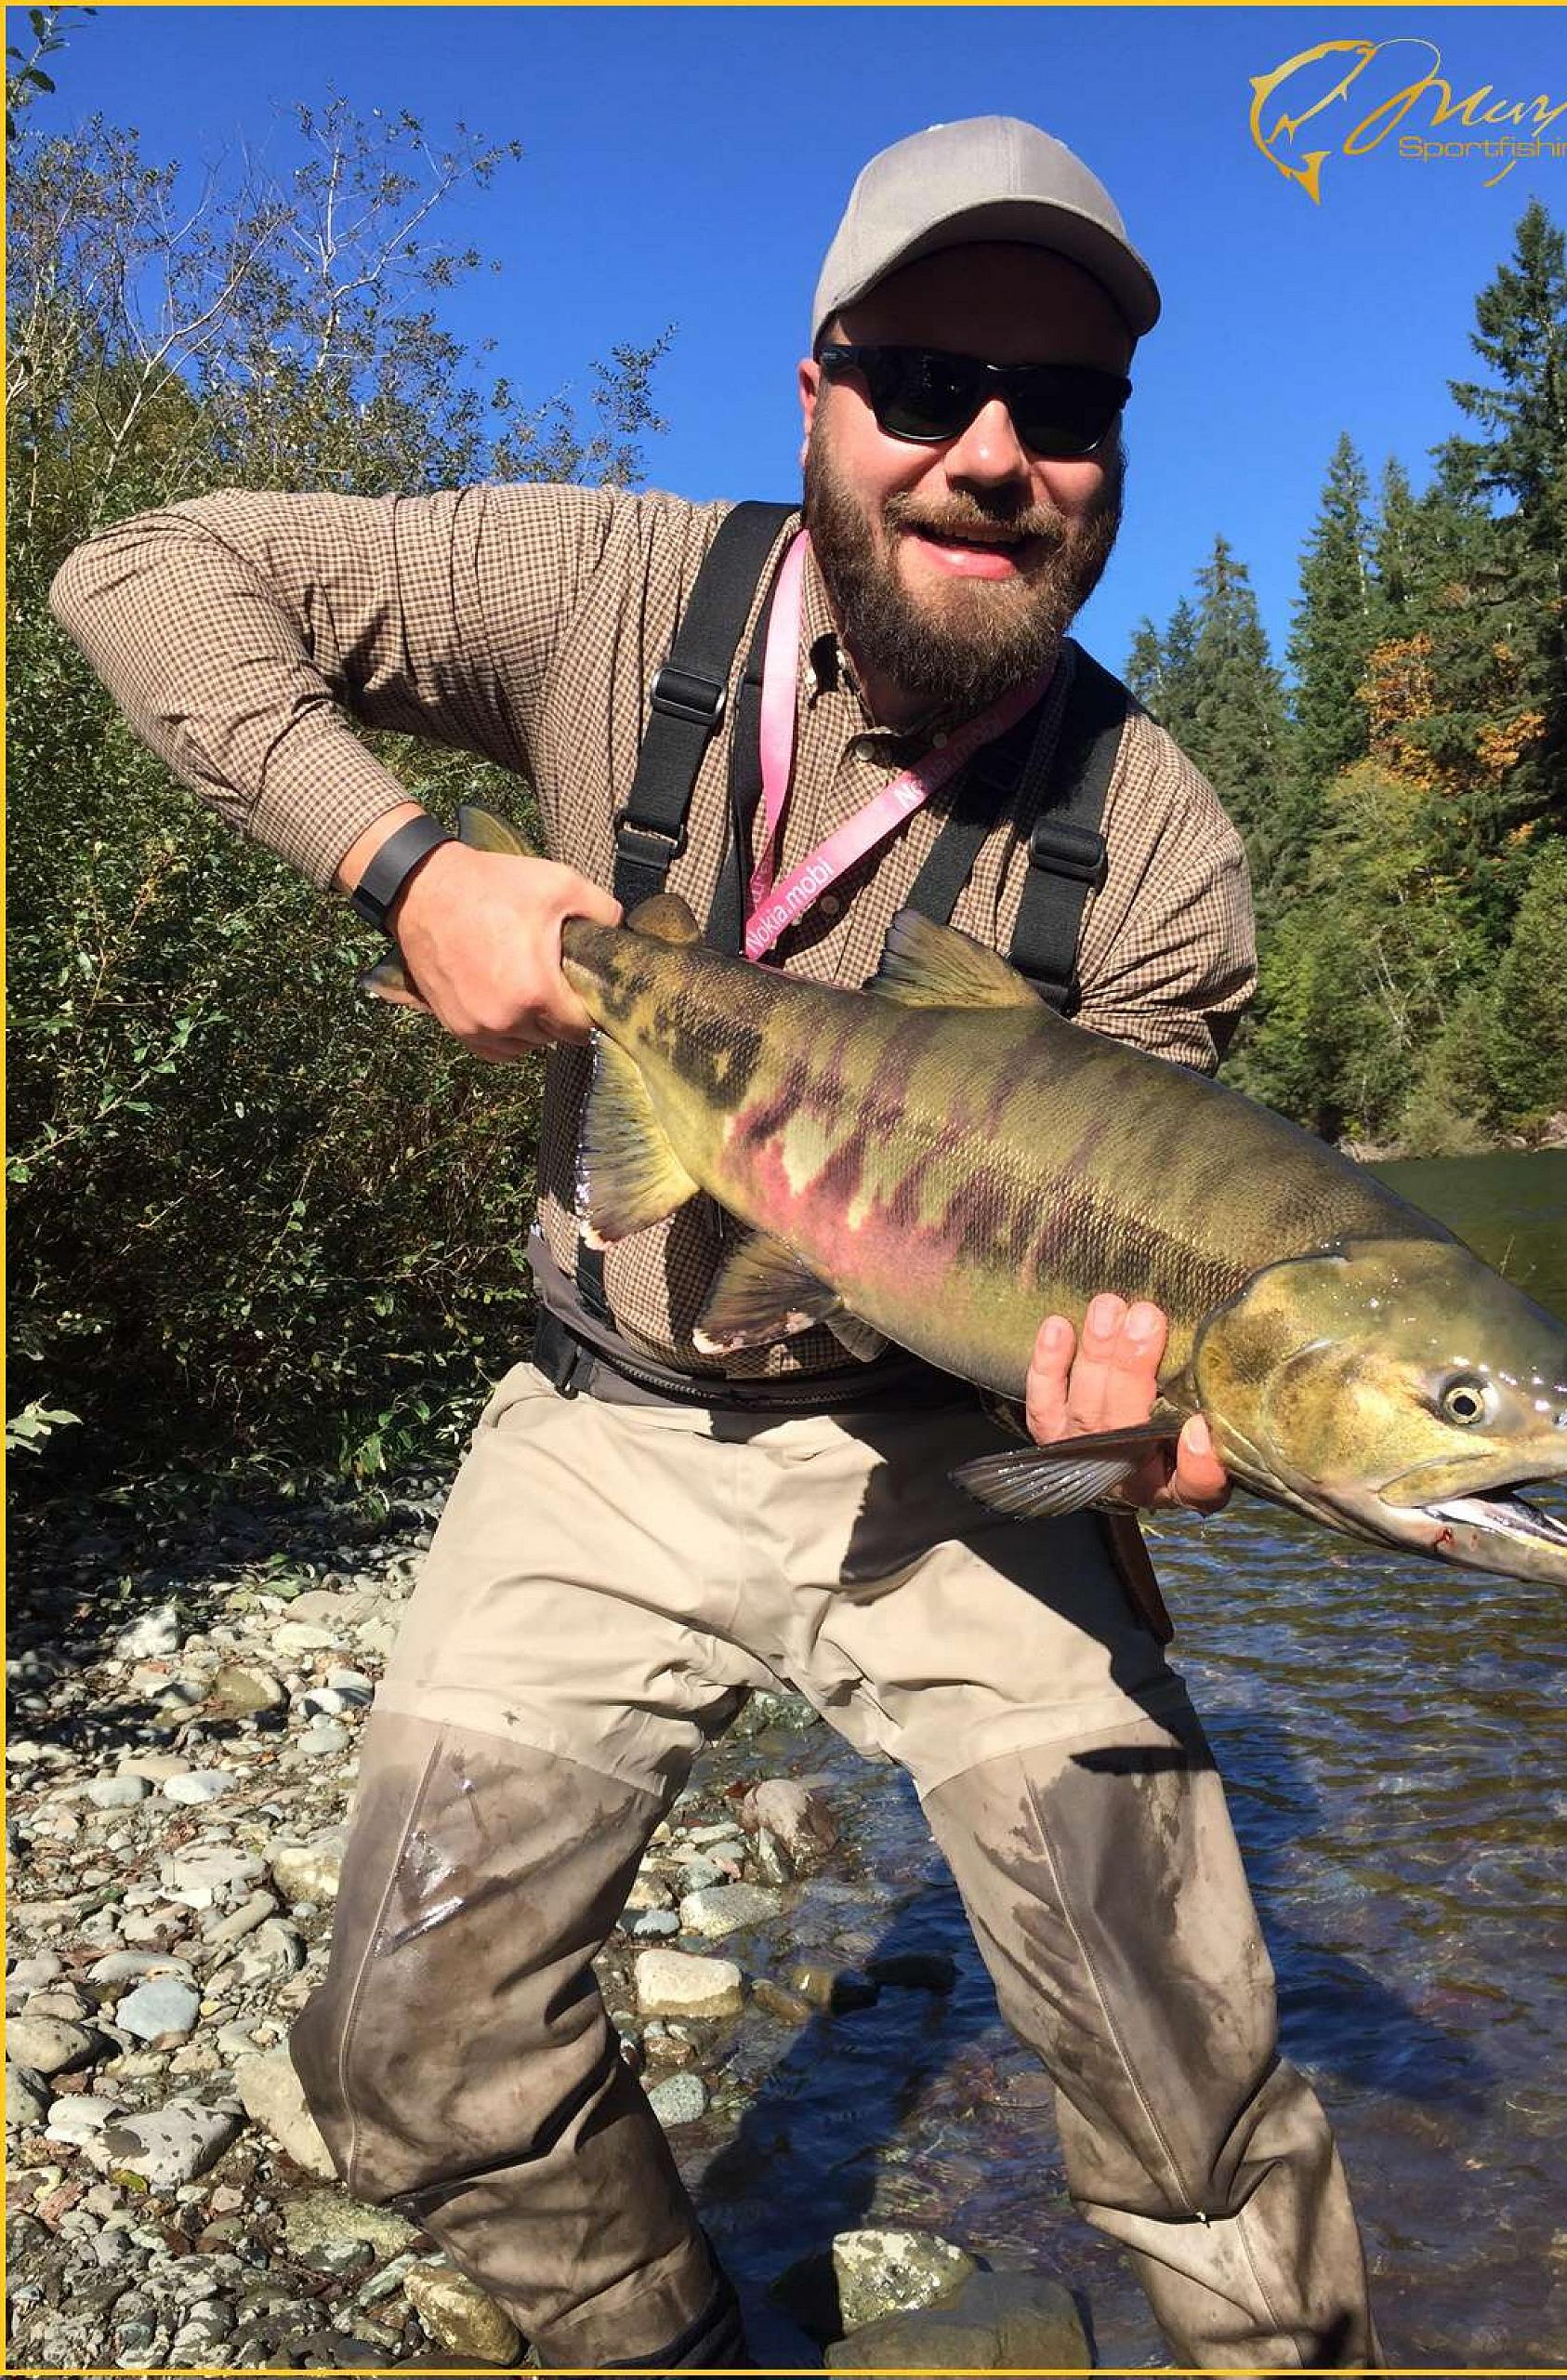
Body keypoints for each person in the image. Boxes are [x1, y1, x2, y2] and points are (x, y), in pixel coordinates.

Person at [52, 118, 1379, 2372]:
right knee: (412, 2053)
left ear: (1110, 456)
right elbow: (138, 572)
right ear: (815, 393)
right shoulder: (596, 587)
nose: (990, 455)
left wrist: (1133, 1421)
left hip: (947, 1448)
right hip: (608, 1405)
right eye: (927, 380)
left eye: (1061, 412)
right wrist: (407, 865)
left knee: (1187, 2078)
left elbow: (1130, 1289)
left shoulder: (1156, 847)